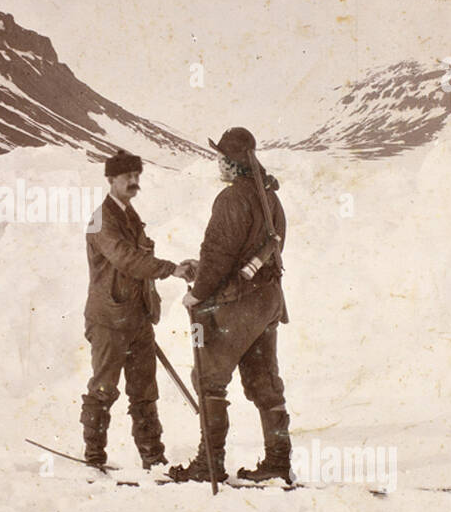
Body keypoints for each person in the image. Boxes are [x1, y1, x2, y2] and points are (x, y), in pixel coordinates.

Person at [169, 127, 292, 483]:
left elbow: (218, 253)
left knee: (209, 378)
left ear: (232, 162)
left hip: (237, 304)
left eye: (221, 157)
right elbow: (263, 246)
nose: (217, 162)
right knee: (265, 383)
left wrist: (197, 291)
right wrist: (210, 268)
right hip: (268, 300)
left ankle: (209, 463)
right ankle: (278, 463)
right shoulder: (270, 197)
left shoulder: (231, 199)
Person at [80, 150, 194, 468]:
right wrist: (171, 269)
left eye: (136, 175)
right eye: (127, 176)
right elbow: (127, 260)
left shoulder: (130, 215)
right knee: (104, 388)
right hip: (109, 320)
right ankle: (94, 455)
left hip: (138, 318)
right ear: (111, 179)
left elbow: (139, 257)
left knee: (145, 391)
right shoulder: (101, 220)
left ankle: (153, 457)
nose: (133, 182)